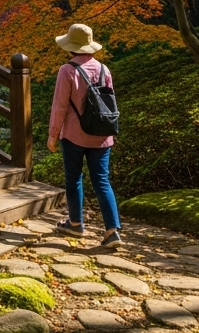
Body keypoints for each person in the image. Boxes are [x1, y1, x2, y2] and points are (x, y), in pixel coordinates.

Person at [47, 23, 122, 247]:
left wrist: (53, 134)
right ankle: (112, 231)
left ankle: (76, 224)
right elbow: (110, 103)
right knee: (102, 180)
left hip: (74, 134)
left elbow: (60, 106)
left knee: (74, 178)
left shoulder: (67, 70)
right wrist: (111, 130)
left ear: (70, 46)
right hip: (101, 135)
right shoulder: (104, 69)